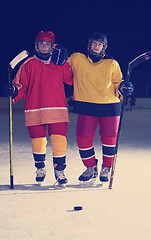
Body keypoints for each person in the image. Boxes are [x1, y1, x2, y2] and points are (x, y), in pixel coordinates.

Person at [68, 32, 133, 183]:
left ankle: (106, 168)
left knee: (109, 140)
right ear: (89, 44)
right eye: (94, 43)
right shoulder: (77, 58)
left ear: (104, 47)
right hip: (86, 105)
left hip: (110, 106)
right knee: (83, 140)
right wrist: (57, 48)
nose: (96, 47)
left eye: (100, 44)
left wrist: (124, 87)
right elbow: (62, 68)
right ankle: (90, 167)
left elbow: (119, 83)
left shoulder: (112, 63)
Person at [10, 30, 73, 185]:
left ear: (53, 46)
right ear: (36, 45)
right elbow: (20, 86)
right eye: (41, 44)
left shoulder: (59, 61)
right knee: (38, 141)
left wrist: (65, 63)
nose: (44, 47)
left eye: (47, 44)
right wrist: (13, 91)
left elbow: (70, 79)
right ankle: (40, 168)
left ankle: (60, 171)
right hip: (35, 108)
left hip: (58, 108)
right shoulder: (28, 63)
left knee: (59, 141)